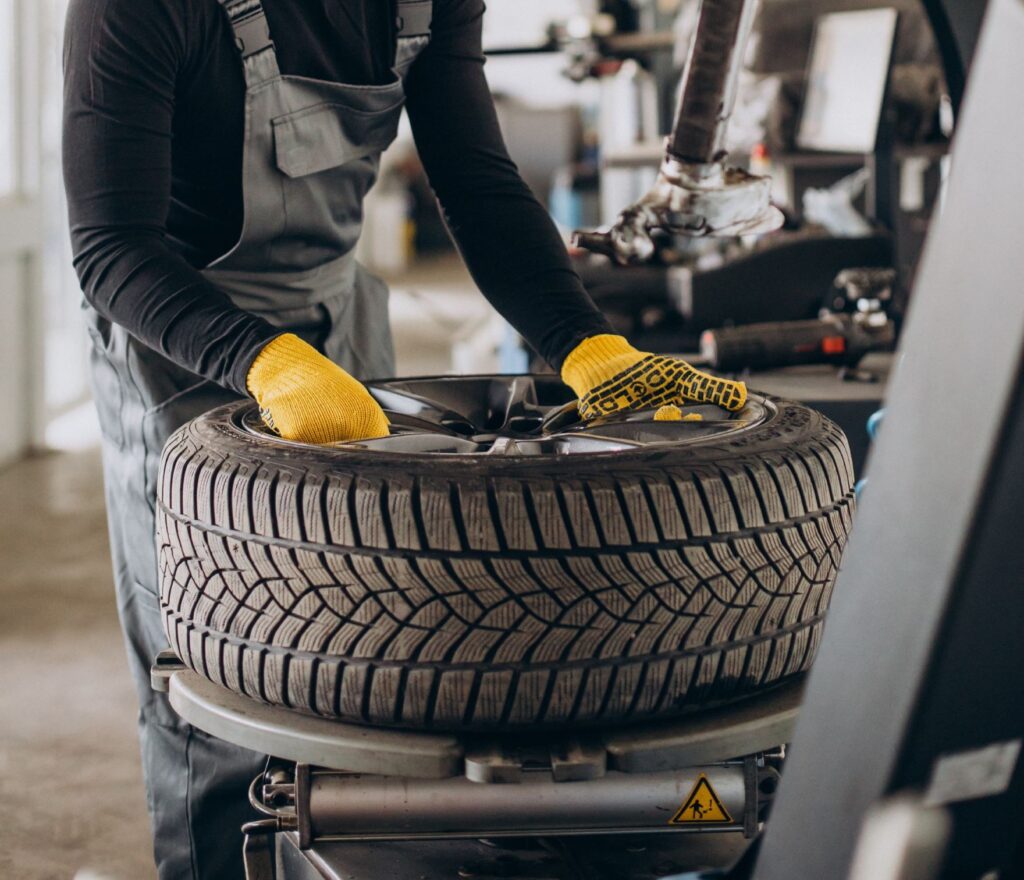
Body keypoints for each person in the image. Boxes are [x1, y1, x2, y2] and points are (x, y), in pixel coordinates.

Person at [62, 0, 746, 876]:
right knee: (217, 682)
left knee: (368, 664)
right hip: (182, 342)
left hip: (337, 325)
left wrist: (588, 347)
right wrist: (265, 361)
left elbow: (476, 182)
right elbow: (111, 247)